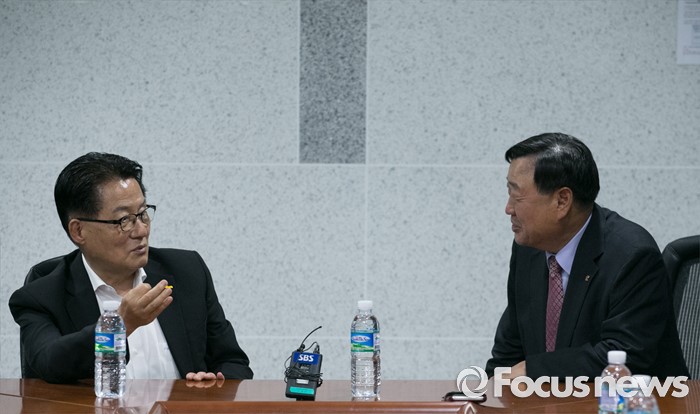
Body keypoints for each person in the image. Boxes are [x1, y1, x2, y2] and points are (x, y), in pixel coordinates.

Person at [9, 152, 253, 383]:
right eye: (124, 220)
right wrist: (120, 326)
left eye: (143, 213)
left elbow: (233, 362)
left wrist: (213, 386)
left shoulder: (187, 271)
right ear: (78, 230)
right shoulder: (42, 296)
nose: (141, 230)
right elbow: (49, 362)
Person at [485, 133, 689, 380]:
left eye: (517, 196)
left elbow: (624, 354)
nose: (508, 208)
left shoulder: (632, 255)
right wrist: (489, 390)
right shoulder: (529, 248)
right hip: (551, 398)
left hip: (632, 399)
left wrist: (533, 370)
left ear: (562, 201)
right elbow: (510, 348)